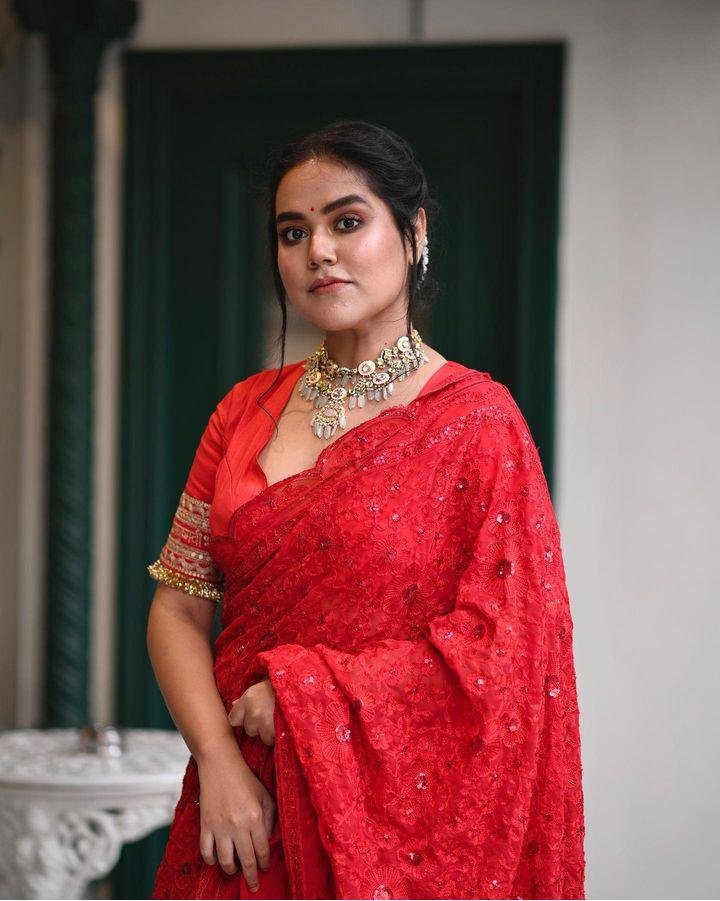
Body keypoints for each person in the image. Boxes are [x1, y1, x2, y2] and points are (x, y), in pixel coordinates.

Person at [146, 120, 585, 900]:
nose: (318, 251)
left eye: (346, 222)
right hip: (242, 813)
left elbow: (506, 656)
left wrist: (307, 696)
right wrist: (217, 761)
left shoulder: (477, 424)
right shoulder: (242, 412)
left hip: (401, 833)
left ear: (415, 234)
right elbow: (178, 608)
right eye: (293, 232)